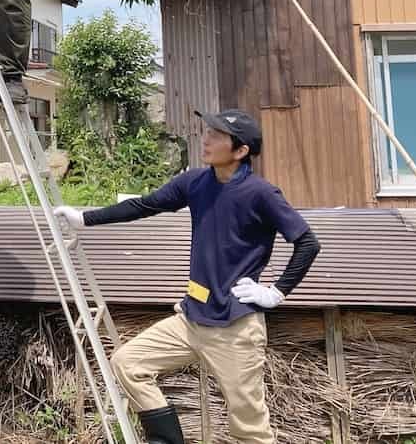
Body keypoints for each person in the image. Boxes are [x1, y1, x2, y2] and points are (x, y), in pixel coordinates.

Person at [55, 109, 321, 444]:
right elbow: (144, 205)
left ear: (240, 151)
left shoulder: (261, 193)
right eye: (207, 132)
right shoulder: (196, 182)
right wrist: (84, 219)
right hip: (191, 320)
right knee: (128, 363)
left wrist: (276, 292)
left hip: (235, 329)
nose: (206, 139)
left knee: (250, 430)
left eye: (216, 136)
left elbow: (307, 243)